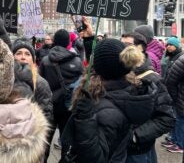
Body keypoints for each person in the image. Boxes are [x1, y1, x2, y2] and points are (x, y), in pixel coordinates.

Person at [66, 39, 157, 162]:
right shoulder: (125, 88)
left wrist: (85, 119)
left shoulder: (108, 110)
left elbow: (95, 157)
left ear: (99, 67)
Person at [125, 32, 175, 163]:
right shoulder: (117, 72)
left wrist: (136, 136)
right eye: (121, 44)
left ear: (141, 47)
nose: (123, 49)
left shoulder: (153, 79)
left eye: (128, 45)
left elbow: (166, 118)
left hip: (139, 151)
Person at [12, 38, 53, 162]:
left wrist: (40, 152)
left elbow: (46, 117)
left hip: (30, 144)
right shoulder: (6, 81)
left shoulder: (41, 84)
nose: (23, 57)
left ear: (33, 60)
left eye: (27, 54)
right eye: (18, 53)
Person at [40, 29, 83, 145]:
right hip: (67, 107)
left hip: (49, 106)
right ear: (68, 42)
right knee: (67, 142)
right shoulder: (77, 61)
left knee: (44, 143)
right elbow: (81, 84)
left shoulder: (45, 61)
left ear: (54, 41)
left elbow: (40, 83)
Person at [165, 49, 184, 154]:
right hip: (181, 99)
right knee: (180, 120)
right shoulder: (182, 60)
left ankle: (178, 143)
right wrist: (176, 97)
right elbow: (171, 81)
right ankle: (178, 143)